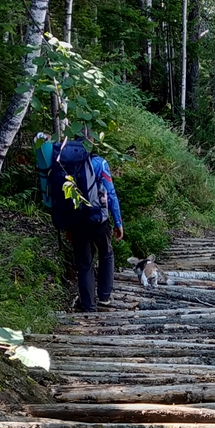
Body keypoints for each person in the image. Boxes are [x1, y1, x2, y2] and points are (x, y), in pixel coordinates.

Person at [46, 130, 125, 312]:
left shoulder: (65, 163)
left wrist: (66, 225)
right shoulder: (100, 163)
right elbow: (111, 194)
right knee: (106, 254)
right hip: (98, 220)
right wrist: (118, 223)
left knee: (84, 263)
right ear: (92, 143)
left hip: (75, 221)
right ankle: (104, 296)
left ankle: (89, 306)